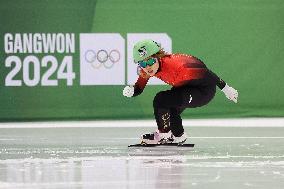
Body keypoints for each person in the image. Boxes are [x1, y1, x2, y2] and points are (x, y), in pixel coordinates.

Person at [123, 39, 238, 144]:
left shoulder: (178, 66)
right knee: (169, 106)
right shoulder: (147, 70)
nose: (147, 67)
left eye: (151, 61)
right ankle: (178, 135)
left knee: (161, 99)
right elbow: (139, 87)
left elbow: (207, 74)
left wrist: (226, 88)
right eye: (142, 63)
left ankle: (163, 135)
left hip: (203, 91)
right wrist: (132, 90)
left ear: (159, 57)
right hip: (185, 87)